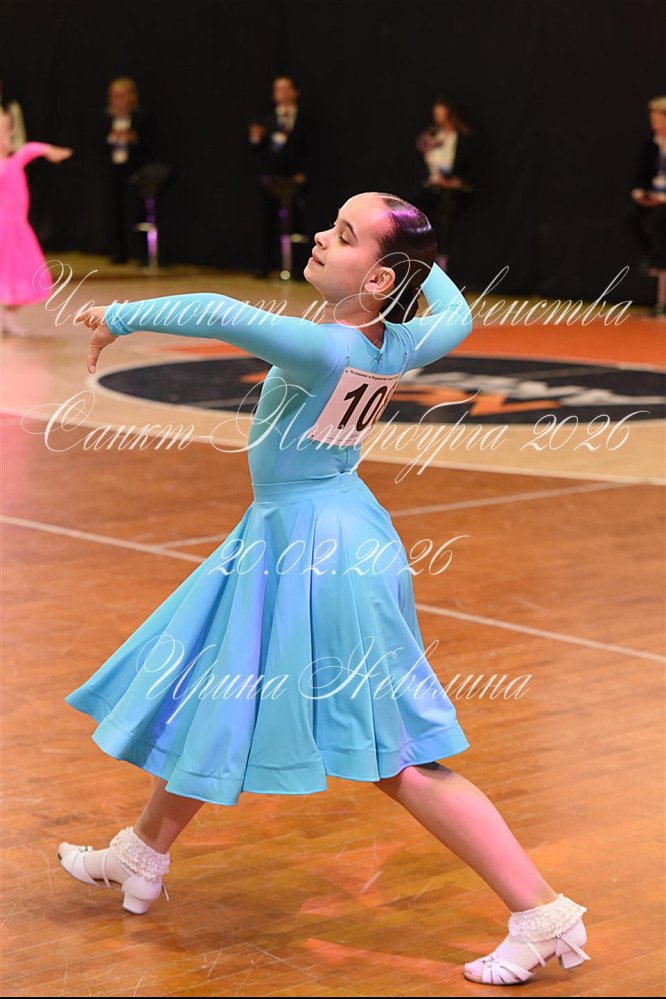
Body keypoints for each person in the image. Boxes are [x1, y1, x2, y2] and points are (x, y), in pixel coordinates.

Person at [59, 192, 591, 986]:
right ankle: (143, 852)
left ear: (376, 281)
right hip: (312, 531)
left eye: (342, 236)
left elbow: (218, 311)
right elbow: (453, 309)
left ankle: (542, 911)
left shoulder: (327, 347)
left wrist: (118, 318)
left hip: (319, 548)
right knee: (219, 687)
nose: (319, 237)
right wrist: (413, 255)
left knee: (397, 757)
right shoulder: (399, 340)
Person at [0, 110, 72, 335]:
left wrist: (48, 150)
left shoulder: (13, 160)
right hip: (3, 226)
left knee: (20, 271)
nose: (5, 138)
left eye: (7, 132)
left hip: (16, 227)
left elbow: (29, 150)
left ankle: (8, 317)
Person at [248, 75, 313, 279]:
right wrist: (255, 140)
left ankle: (299, 268)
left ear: (295, 92)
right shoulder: (266, 120)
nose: (282, 93)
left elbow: (311, 149)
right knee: (267, 223)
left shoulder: (305, 120)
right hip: (271, 180)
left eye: (286, 88)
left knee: (297, 224)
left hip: (295, 181)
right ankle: (265, 266)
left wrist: (304, 173)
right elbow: (258, 151)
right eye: (278, 89)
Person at [415, 96, 479, 272]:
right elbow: (421, 162)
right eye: (436, 113)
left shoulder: (463, 140)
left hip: (452, 194)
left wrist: (451, 183)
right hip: (430, 190)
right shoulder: (432, 136)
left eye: (441, 113)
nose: (437, 117)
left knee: (445, 230)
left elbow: (471, 171)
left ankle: (443, 270)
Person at [103, 76, 152, 265]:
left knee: (135, 211)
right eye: (114, 96)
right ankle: (118, 251)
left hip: (134, 171)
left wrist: (133, 139)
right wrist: (111, 138)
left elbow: (152, 145)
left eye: (121, 96)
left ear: (132, 97)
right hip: (113, 169)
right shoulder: (107, 119)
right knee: (114, 210)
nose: (117, 101)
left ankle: (141, 253)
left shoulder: (142, 119)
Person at [625, 94, 666, 317]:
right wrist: (640, 193)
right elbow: (641, 177)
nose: (654, 124)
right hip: (654, 197)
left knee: (658, 220)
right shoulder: (651, 145)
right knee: (632, 216)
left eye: (659, 119)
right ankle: (653, 257)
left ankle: (659, 259)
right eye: (653, 120)